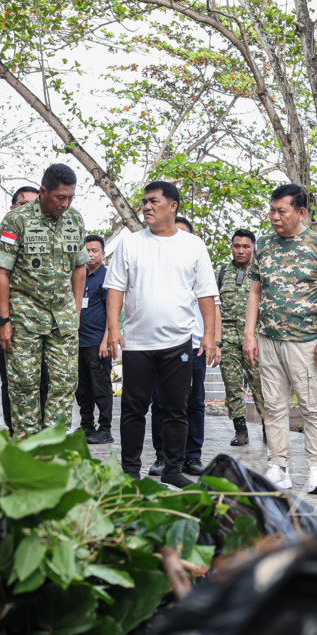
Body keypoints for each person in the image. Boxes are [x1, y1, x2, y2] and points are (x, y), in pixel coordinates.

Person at [105, 182, 219, 488]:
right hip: (138, 343)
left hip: (178, 343)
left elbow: (207, 294)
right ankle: (130, 469)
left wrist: (209, 335)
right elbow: (115, 287)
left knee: (176, 409)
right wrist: (113, 329)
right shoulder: (130, 243)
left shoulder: (193, 245)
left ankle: (172, 469)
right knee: (133, 408)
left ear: (173, 206)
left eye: (153, 201)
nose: (146, 207)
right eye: (144, 202)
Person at [243, 184, 317, 495]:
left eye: (280, 211)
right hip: (268, 339)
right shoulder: (265, 245)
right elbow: (255, 292)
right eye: (271, 210)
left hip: (306, 341)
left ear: (300, 213)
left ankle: (316, 469)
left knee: (312, 406)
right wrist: (250, 335)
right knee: (273, 405)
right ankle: (278, 465)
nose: (273, 216)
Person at [0, 164, 88, 436]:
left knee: (64, 383)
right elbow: (1, 271)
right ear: (43, 191)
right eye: (60, 197)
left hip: (64, 318)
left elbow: (80, 265)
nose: (66, 204)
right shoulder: (16, 220)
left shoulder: (75, 220)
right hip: (25, 317)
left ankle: (54, 447)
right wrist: (3, 320)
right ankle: (27, 447)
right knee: (24, 385)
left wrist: (76, 310)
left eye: (70, 197)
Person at [148, 216, 219, 477]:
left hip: (195, 345)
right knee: (160, 401)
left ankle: (192, 456)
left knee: (195, 402)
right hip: (160, 344)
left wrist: (213, 339)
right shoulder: (157, 271)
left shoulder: (199, 266)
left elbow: (214, 306)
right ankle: (162, 456)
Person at [0, 186, 47, 434]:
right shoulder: (3, 238)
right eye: (23, 204)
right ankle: (15, 430)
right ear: (12, 208)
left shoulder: (46, 236)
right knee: (13, 381)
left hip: (41, 325)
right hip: (9, 324)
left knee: (43, 380)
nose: (30, 209)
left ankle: (40, 432)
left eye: (35, 204)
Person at [218, 228, 265, 446]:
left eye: (246, 246)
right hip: (228, 337)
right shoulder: (222, 272)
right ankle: (240, 430)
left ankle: (268, 428)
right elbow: (215, 307)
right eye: (237, 246)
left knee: (261, 384)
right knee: (232, 384)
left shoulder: (261, 272)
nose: (241, 250)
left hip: (254, 338)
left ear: (253, 249)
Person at [76, 233, 114, 444]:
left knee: (101, 387)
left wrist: (106, 340)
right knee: (82, 389)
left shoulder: (106, 277)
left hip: (97, 343)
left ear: (103, 253)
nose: (90, 255)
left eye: (94, 251)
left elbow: (112, 311)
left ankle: (105, 429)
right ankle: (86, 426)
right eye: (87, 251)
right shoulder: (79, 275)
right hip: (78, 342)